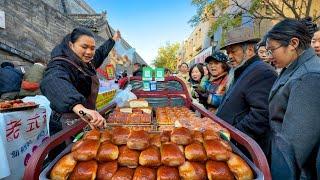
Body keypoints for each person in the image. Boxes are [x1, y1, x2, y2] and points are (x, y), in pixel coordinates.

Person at [41, 28, 120, 146]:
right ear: (71, 45)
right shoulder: (60, 64)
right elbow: (54, 81)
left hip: (87, 119)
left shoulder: (87, 63)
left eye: (92, 48)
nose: (89, 52)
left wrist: (112, 40)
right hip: (66, 123)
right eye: (84, 47)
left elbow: (100, 53)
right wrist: (82, 110)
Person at [265, 18, 320, 179]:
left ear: (293, 43)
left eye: (272, 50)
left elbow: (294, 148)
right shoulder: (294, 66)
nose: (269, 56)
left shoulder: (309, 76)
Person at [215, 27, 278, 155]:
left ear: (249, 49)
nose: (230, 57)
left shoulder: (262, 72)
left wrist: (233, 135)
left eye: (233, 51)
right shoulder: (242, 70)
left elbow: (262, 114)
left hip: (243, 148)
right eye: (228, 53)